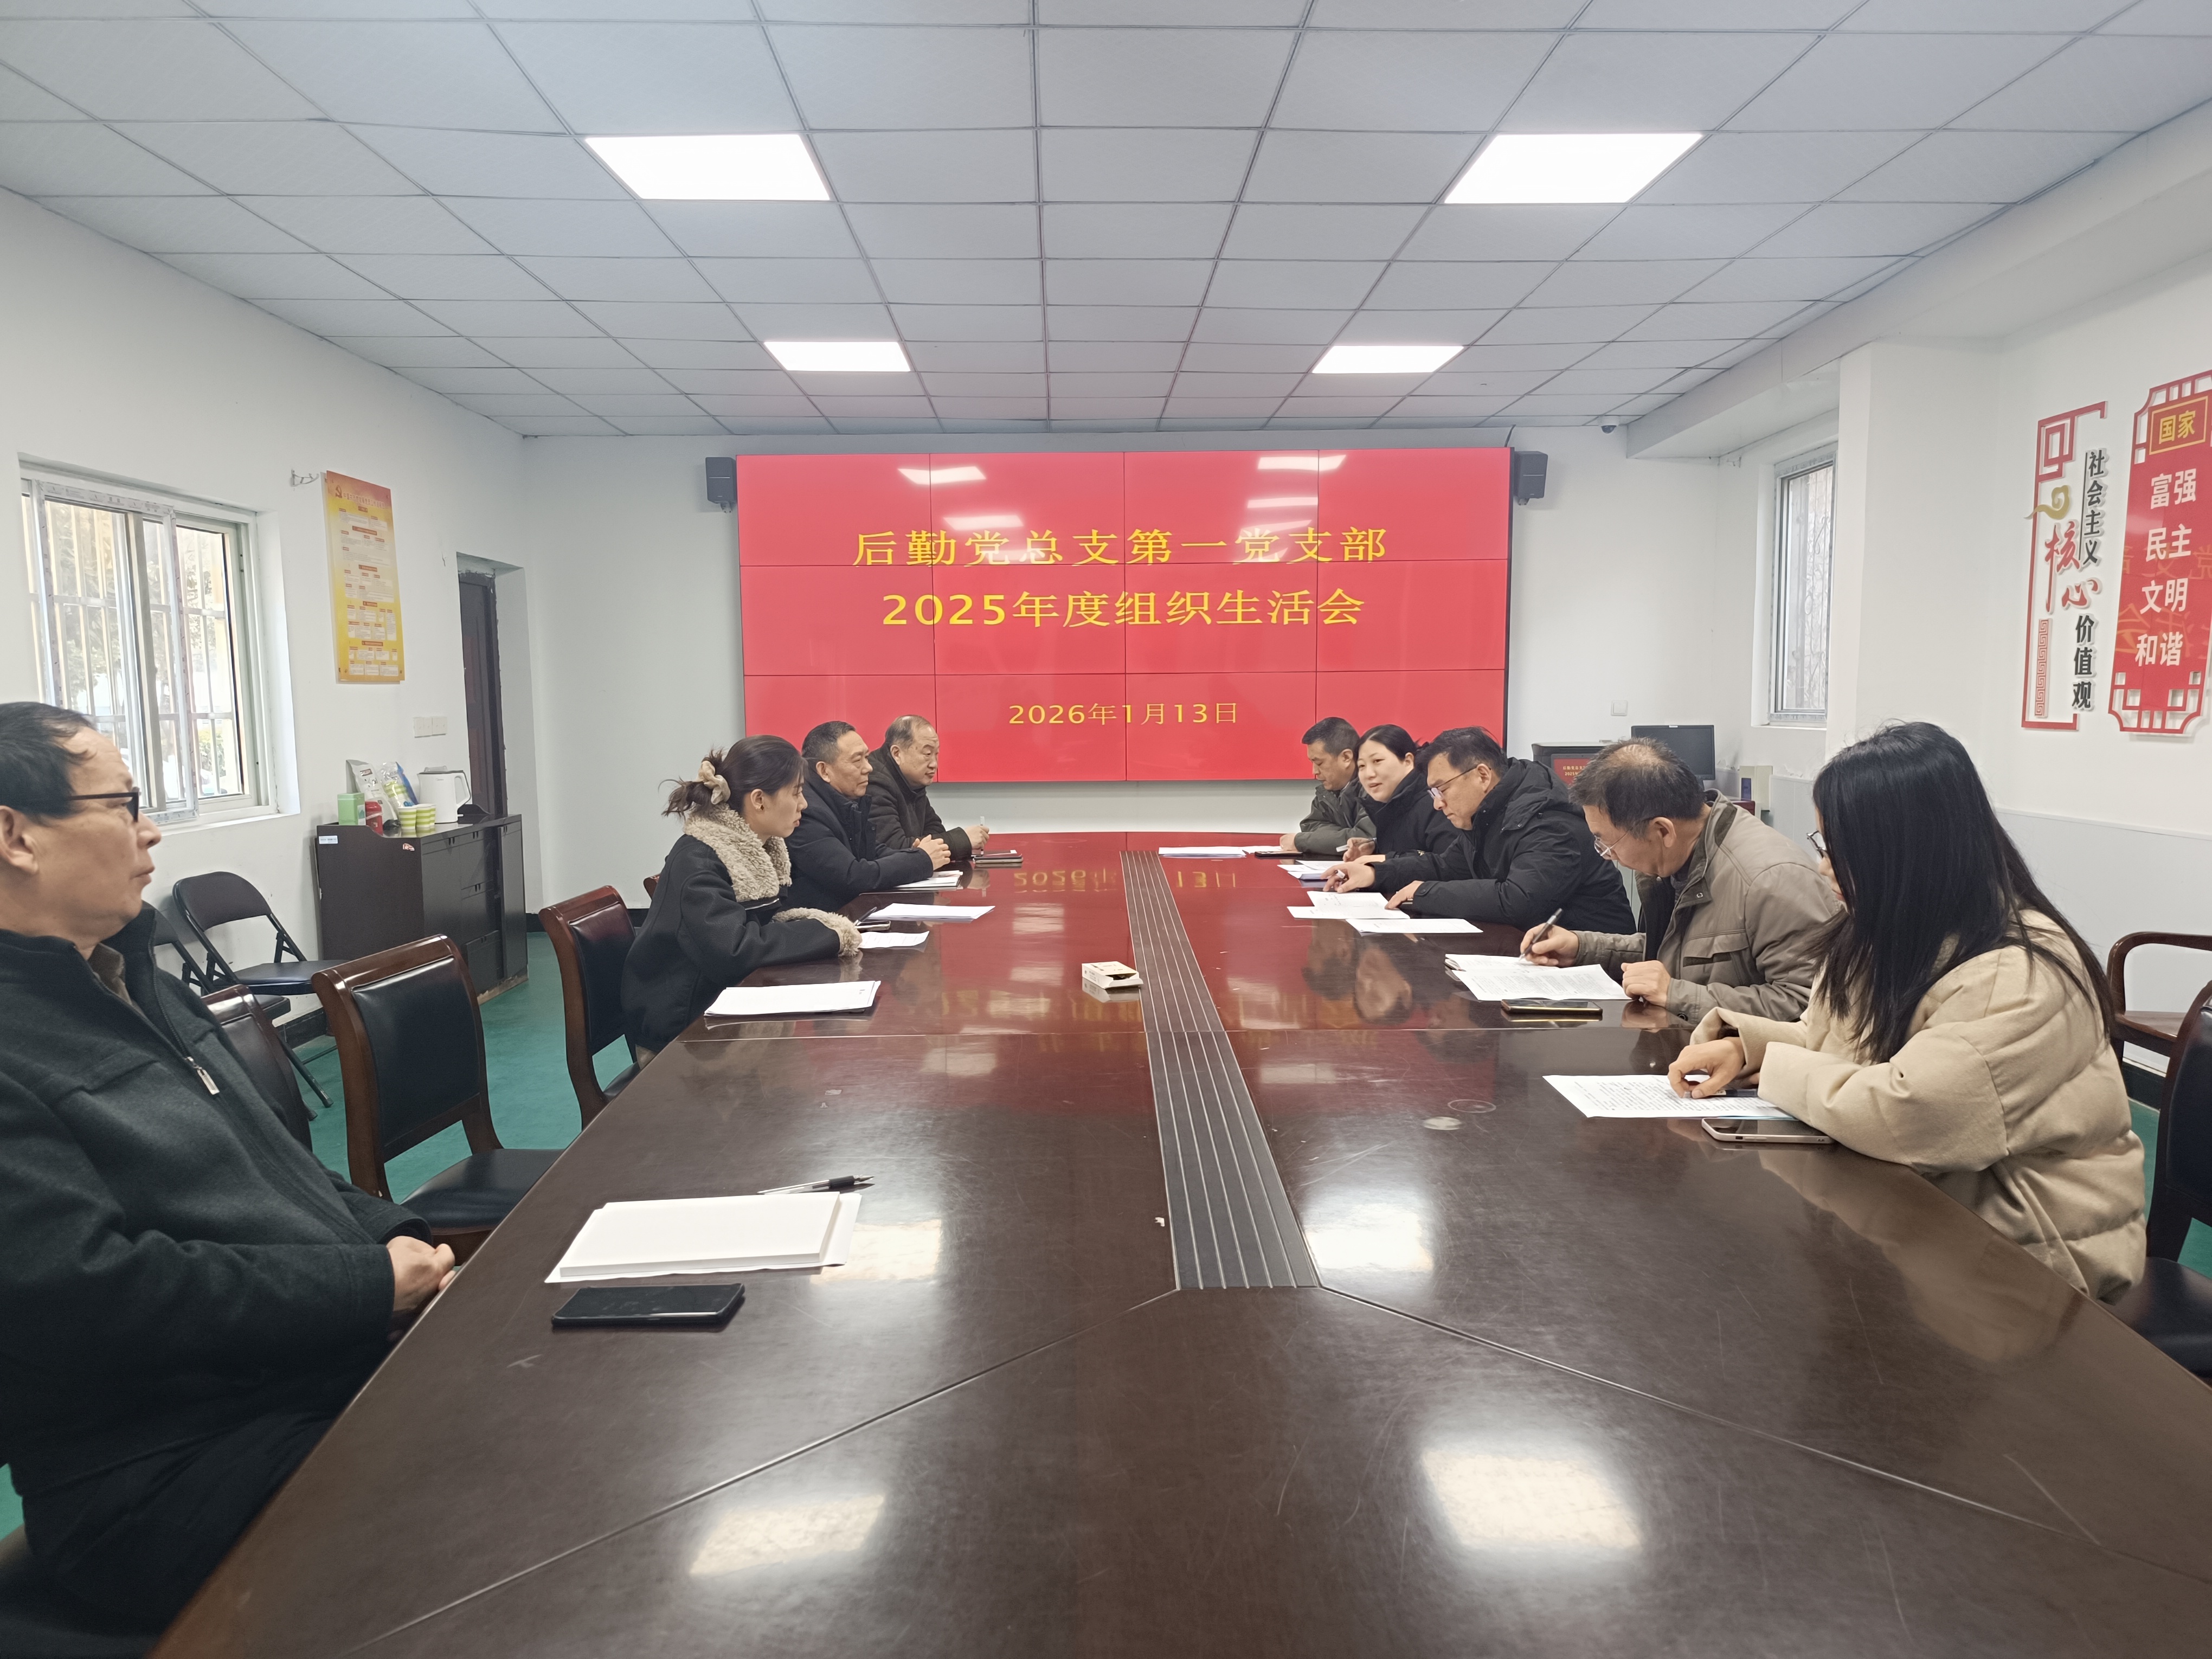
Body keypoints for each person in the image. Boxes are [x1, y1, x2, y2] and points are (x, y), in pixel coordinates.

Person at [0, 701, 452, 1630]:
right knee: (489, 1500)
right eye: (123, 804)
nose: (150, 831)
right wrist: (365, 1286)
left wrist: (396, 1240)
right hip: (164, 1470)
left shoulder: (144, 983)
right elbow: (100, 1295)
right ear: (16, 836)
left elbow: (284, 1166)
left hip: (309, 1374)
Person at [1669, 722, 2144, 1303]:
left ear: (1905, 853)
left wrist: (1775, 1069)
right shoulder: (1888, 933)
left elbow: (1912, 1115)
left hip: (2030, 1253)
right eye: (1824, 845)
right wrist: (1749, 1048)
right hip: (1934, 1212)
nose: (1823, 869)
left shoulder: (2019, 970)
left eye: (1839, 851)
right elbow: (1833, 1043)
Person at [1522, 736, 1833, 1022]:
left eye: (1608, 842)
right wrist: (1582, 948)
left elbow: (1809, 1007)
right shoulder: (1681, 855)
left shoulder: (1771, 880)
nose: (1607, 855)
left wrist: (1677, 995)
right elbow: (1681, 953)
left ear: (1662, 831)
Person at [624, 735, 860, 1057]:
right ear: (759, 800)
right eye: (796, 792)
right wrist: (831, 934)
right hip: (685, 1037)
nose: (804, 804)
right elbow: (735, 951)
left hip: (722, 1008)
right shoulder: (699, 860)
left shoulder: (755, 848)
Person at [1323, 726, 1635, 932]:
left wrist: (1424, 892)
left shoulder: (1548, 819)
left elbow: (1519, 900)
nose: (1437, 804)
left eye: (1442, 789)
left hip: (1595, 972)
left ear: (1482, 776)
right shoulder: (1488, 811)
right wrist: (1377, 873)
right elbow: (1447, 865)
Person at [788, 722, 947, 911]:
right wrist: (921, 860)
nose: (869, 768)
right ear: (824, 771)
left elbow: (872, 851)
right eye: (858, 761)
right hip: (821, 921)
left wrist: (915, 855)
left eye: (867, 757)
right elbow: (852, 876)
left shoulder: (846, 800)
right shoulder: (806, 812)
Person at [1321, 724, 1457, 890]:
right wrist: (1373, 847)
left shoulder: (1436, 801)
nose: (1369, 774)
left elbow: (1448, 864)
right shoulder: (1390, 802)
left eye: (1377, 761)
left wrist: (1383, 860)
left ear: (1408, 761)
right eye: (1362, 766)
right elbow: (1412, 846)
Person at [866, 715, 988, 863]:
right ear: (897, 754)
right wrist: (962, 839)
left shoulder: (911, 779)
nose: (934, 764)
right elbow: (893, 849)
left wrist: (920, 846)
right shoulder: (876, 784)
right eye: (927, 754)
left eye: (936, 754)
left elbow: (935, 829)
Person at [1277, 716, 1373, 855]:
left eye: (1319, 763)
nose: (1314, 771)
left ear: (1346, 757)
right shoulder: (1329, 790)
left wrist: (1301, 841)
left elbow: (1364, 840)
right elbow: (1310, 825)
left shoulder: (1375, 787)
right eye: (1312, 763)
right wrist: (1342, 836)